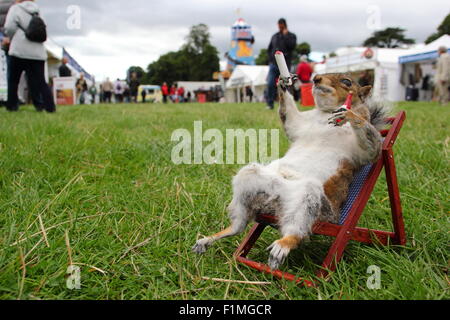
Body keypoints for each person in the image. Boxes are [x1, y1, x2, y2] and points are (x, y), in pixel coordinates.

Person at [4, 0, 55, 112]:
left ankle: (12, 106)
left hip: (19, 50)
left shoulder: (15, 8)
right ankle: (49, 107)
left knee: (13, 80)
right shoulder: (38, 10)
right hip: (37, 53)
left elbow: (9, 27)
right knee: (41, 82)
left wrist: (12, 37)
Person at [266, 18, 297, 110]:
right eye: (278, 25)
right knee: (271, 83)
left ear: (284, 25)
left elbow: (292, 46)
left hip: (285, 64)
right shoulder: (274, 36)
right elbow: (269, 49)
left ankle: (288, 104)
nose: (279, 26)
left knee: (286, 84)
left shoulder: (291, 36)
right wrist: (271, 59)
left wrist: (286, 36)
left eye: (281, 25)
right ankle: (270, 104)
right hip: (274, 64)